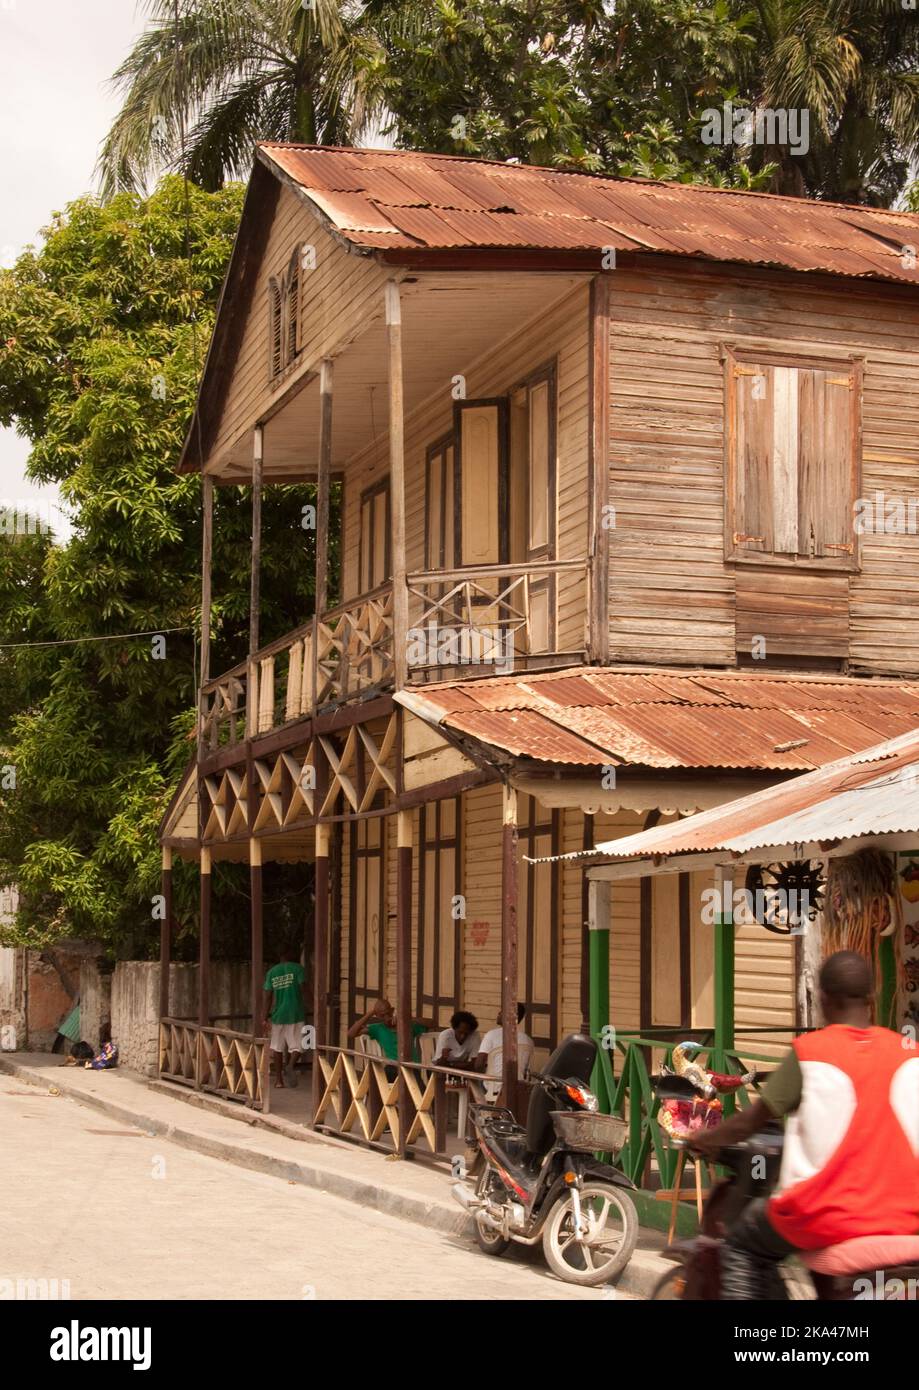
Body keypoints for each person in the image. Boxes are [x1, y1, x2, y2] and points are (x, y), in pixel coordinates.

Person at [689, 951, 919, 1300]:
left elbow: (751, 1121)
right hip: (908, 1215)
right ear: (872, 999)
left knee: (740, 1247)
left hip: (826, 1213)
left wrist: (706, 1138)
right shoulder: (909, 1053)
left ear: (823, 1000)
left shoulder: (810, 1052)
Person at [263, 942, 307, 1089]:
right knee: (300, 1045)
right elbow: (303, 989)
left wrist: (264, 1017)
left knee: (277, 1048)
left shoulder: (271, 972)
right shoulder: (298, 969)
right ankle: (290, 1065)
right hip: (296, 1013)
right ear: (288, 953)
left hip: (278, 1015)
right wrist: (314, 1003)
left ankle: (278, 1081)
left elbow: (268, 996)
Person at [475, 1003, 534, 1094]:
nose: (498, 1013)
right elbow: (527, 1071)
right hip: (517, 1087)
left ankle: (482, 1106)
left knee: (474, 1080)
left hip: (494, 1087)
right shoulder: (528, 1040)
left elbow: (479, 1065)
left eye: (502, 1011)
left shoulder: (491, 1035)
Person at [348, 998, 427, 1063]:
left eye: (388, 1013)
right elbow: (351, 1034)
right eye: (382, 1016)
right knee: (387, 1073)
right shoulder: (378, 1029)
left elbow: (433, 1024)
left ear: (392, 1011)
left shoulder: (407, 1025)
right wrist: (370, 1013)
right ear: (378, 1016)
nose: (387, 1018)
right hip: (393, 1066)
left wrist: (409, 1018)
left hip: (411, 1065)